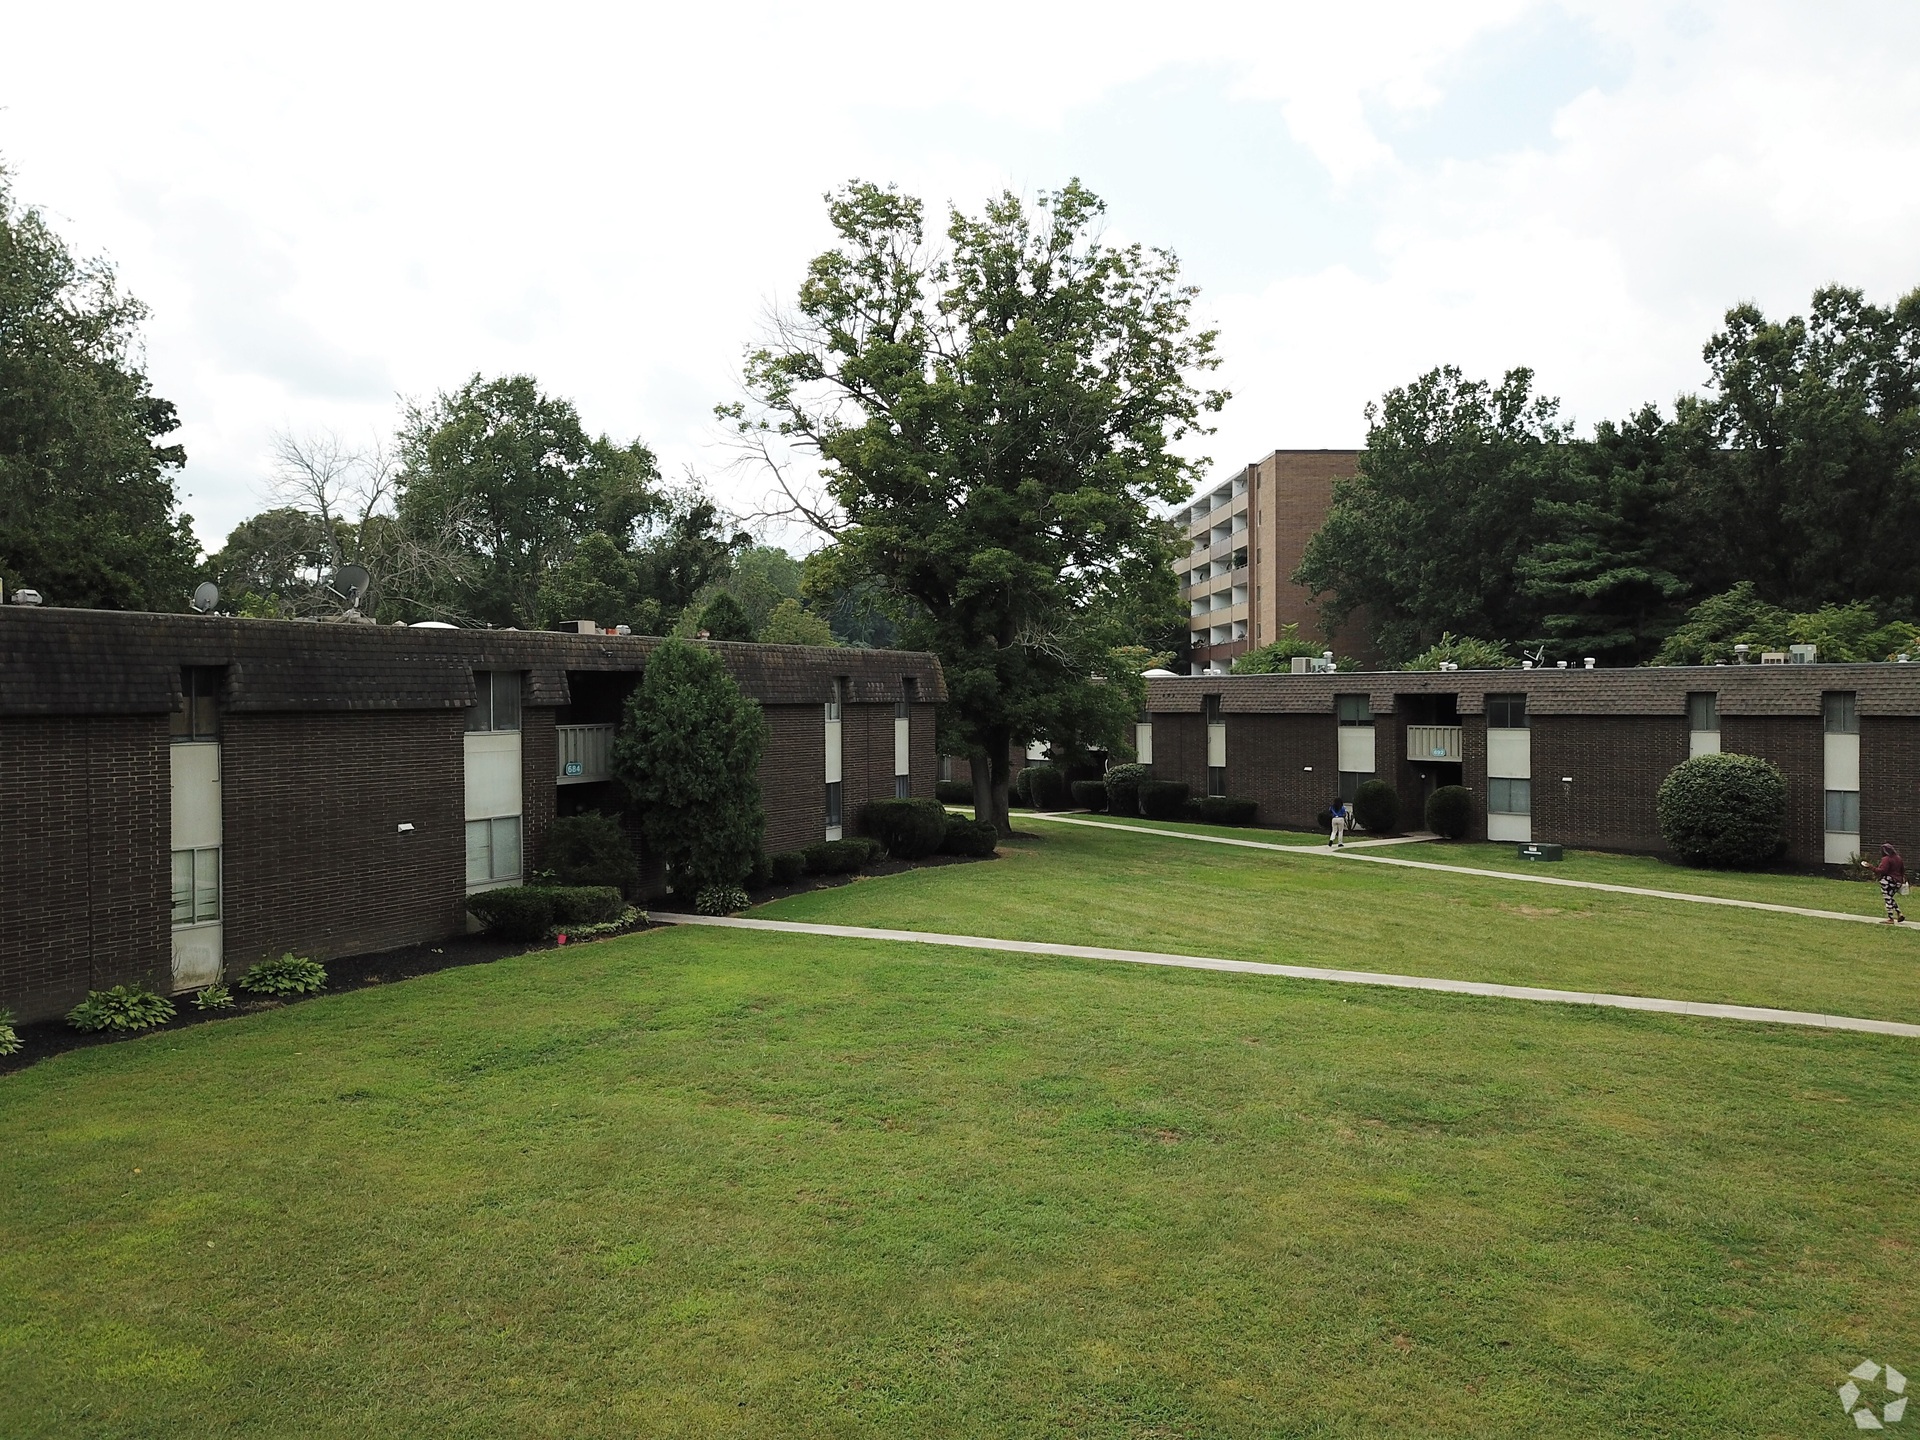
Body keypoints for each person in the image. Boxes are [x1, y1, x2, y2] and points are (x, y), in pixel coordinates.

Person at [1863, 843, 1907, 924]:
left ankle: (1891, 918)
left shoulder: (1886, 859)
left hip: (1888, 881)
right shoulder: (1898, 858)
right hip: (1898, 881)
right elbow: (1902, 870)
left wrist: (1870, 867)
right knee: (1890, 897)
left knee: (1887, 898)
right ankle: (1899, 913)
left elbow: (1882, 871)